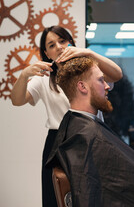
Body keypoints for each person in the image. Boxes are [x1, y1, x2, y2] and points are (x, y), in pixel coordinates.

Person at [10, 25, 123, 207]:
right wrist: (24, 75)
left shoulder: (89, 69)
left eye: (62, 41)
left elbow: (117, 74)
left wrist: (89, 53)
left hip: (91, 138)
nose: (59, 47)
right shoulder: (43, 79)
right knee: (56, 196)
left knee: (94, 194)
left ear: (71, 42)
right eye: (52, 45)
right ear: (47, 53)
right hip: (58, 143)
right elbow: (17, 100)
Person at [46, 56, 134, 207]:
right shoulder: (87, 135)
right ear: (83, 87)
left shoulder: (75, 125)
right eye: (101, 80)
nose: (107, 86)